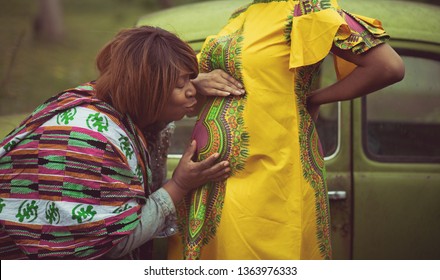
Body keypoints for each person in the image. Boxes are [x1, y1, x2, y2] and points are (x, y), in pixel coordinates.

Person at [168, 0, 405, 260]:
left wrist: (315, 98)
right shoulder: (242, 15)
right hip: (211, 182)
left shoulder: (309, 10)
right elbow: (184, 82)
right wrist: (198, 80)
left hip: (270, 176)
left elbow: (388, 67)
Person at [0, 26, 234, 259]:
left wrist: (188, 85)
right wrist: (180, 184)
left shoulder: (109, 100)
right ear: (147, 89)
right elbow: (113, 244)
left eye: (190, 80)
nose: (192, 90)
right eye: (180, 84)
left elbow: (154, 116)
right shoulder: (92, 143)